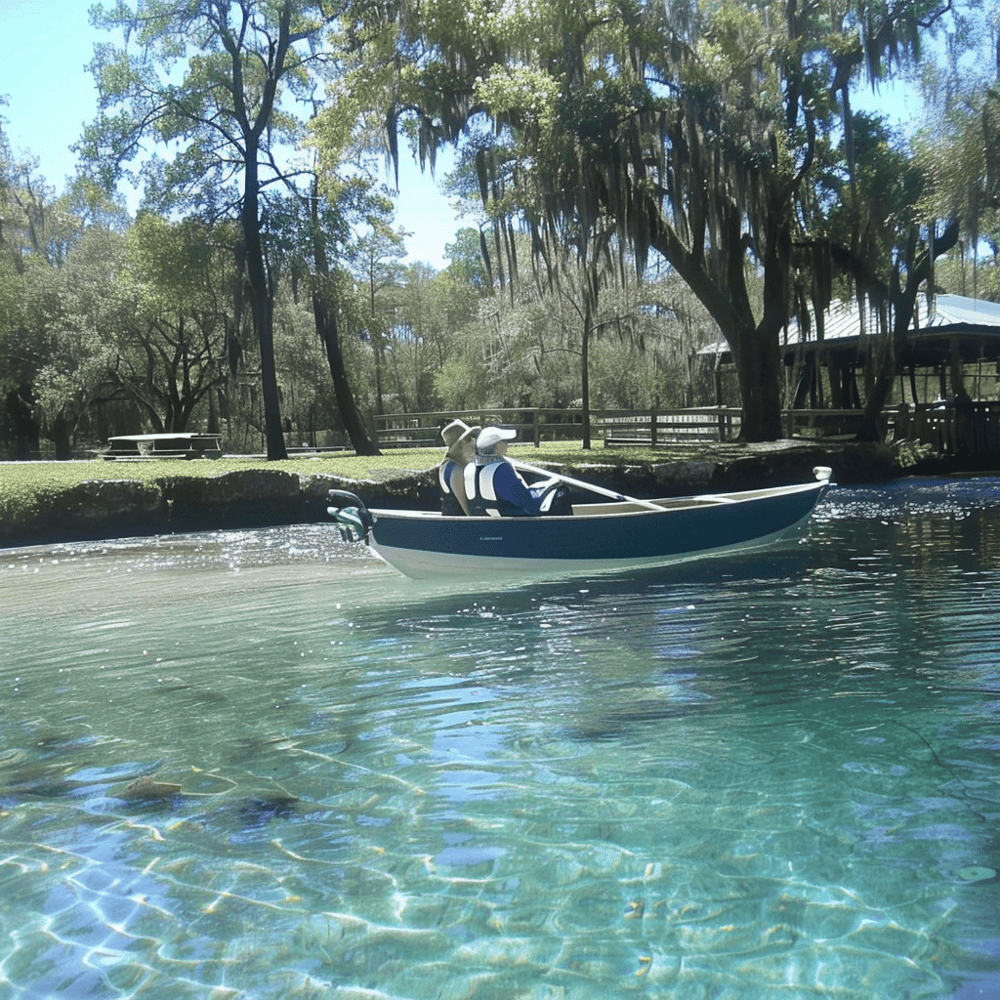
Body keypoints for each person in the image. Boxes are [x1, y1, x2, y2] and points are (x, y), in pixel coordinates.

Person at [465, 426, 572, 517]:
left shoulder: (469, 469)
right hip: (513, 527)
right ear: (497, 446)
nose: (507, 445)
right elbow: (527, 503)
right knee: (561, 490)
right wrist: (551, 485)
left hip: (485, 525)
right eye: (505, 442)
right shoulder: (502, 469)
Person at [438, 419, 480, 515]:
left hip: (451, 525)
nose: (473, 441)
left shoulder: (445, 465)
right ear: (460, 444)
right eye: (469, 438)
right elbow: (468, 511)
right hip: (458, 527)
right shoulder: (457, 470)